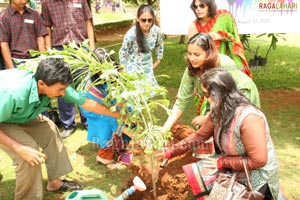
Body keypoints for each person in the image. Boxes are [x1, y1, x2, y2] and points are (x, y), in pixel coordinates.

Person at [0, 57, 120, 200]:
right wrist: (19, 148)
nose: (63, 93)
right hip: (4, 116)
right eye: (60, 90)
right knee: (28, 152)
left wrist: (117, 114)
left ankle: (54, 183)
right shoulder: (12, 92)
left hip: (19, 114)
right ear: (41, 84)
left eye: (64, 89)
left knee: (50, 129)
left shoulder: (57, 83)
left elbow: (88, 103)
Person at [158, 68, 280, 199]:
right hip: (233, 167)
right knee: (200, 175)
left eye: (207, 95)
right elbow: (200, 136)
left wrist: (222, 162)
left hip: (257, 176)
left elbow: (258, 161)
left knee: (212, 181)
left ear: (218, 94)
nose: (206, 99)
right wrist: (170, 151)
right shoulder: (219, 111)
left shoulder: (249, 118)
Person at [162, 33, 260, 133]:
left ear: (208, 53)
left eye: (197, 54)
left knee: (236, 131)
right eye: (189, 53)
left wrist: (207, 118)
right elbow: (181, 100)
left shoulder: (225, 64)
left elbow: (230, 98)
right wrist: (165, 128)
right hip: (216, 99)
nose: (191, 58)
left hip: (239, 95)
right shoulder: (191, 69)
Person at [41, 0, 96, 138]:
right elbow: (47, 28)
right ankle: (68, 124)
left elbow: (88, 22)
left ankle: (88, 120)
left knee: (84, 85)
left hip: (80, 47)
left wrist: (92, 47)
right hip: (60, 48)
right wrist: (49, 52)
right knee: (62, 88)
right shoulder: (47, 3)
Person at [79, 48, 132, 168]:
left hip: (109, 102)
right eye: (101, 69)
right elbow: (102, 109)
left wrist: (123, 110)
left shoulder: (116, 75)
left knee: (129, 111)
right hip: (93, 107)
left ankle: (122, 147)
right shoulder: (91, 87)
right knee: (107, 122)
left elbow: (120, 98)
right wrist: (119, 118)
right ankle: (104, 156)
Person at [188, 0, 252, 78]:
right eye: (195, 7)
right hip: (206, 65)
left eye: (202, 6)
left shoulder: (223, 16)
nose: (198, 9)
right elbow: (193, 52)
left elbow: (235, 38)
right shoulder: (194, 25)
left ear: (210, 6)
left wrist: (220, 36)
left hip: (226, 61)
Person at [119, 4, 164, 90]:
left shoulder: (156, 31)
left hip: (148, 67)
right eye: (143, 20)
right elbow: (123, 52)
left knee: (148, 95)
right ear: (138, 19)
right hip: (133, 68)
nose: (147, 23)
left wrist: (158, 59)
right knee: (136, 96)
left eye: (150, 20)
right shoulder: (131, 34)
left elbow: (159, 44)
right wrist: (123, 71)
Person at [0, 0, 48, 69]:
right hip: (16, 61)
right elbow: (4, 44)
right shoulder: (4, 17)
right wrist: (11, 68)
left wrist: (44, 60)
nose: (24, 1)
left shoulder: (34, 14)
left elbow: (40, 38)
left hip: (35, 60)